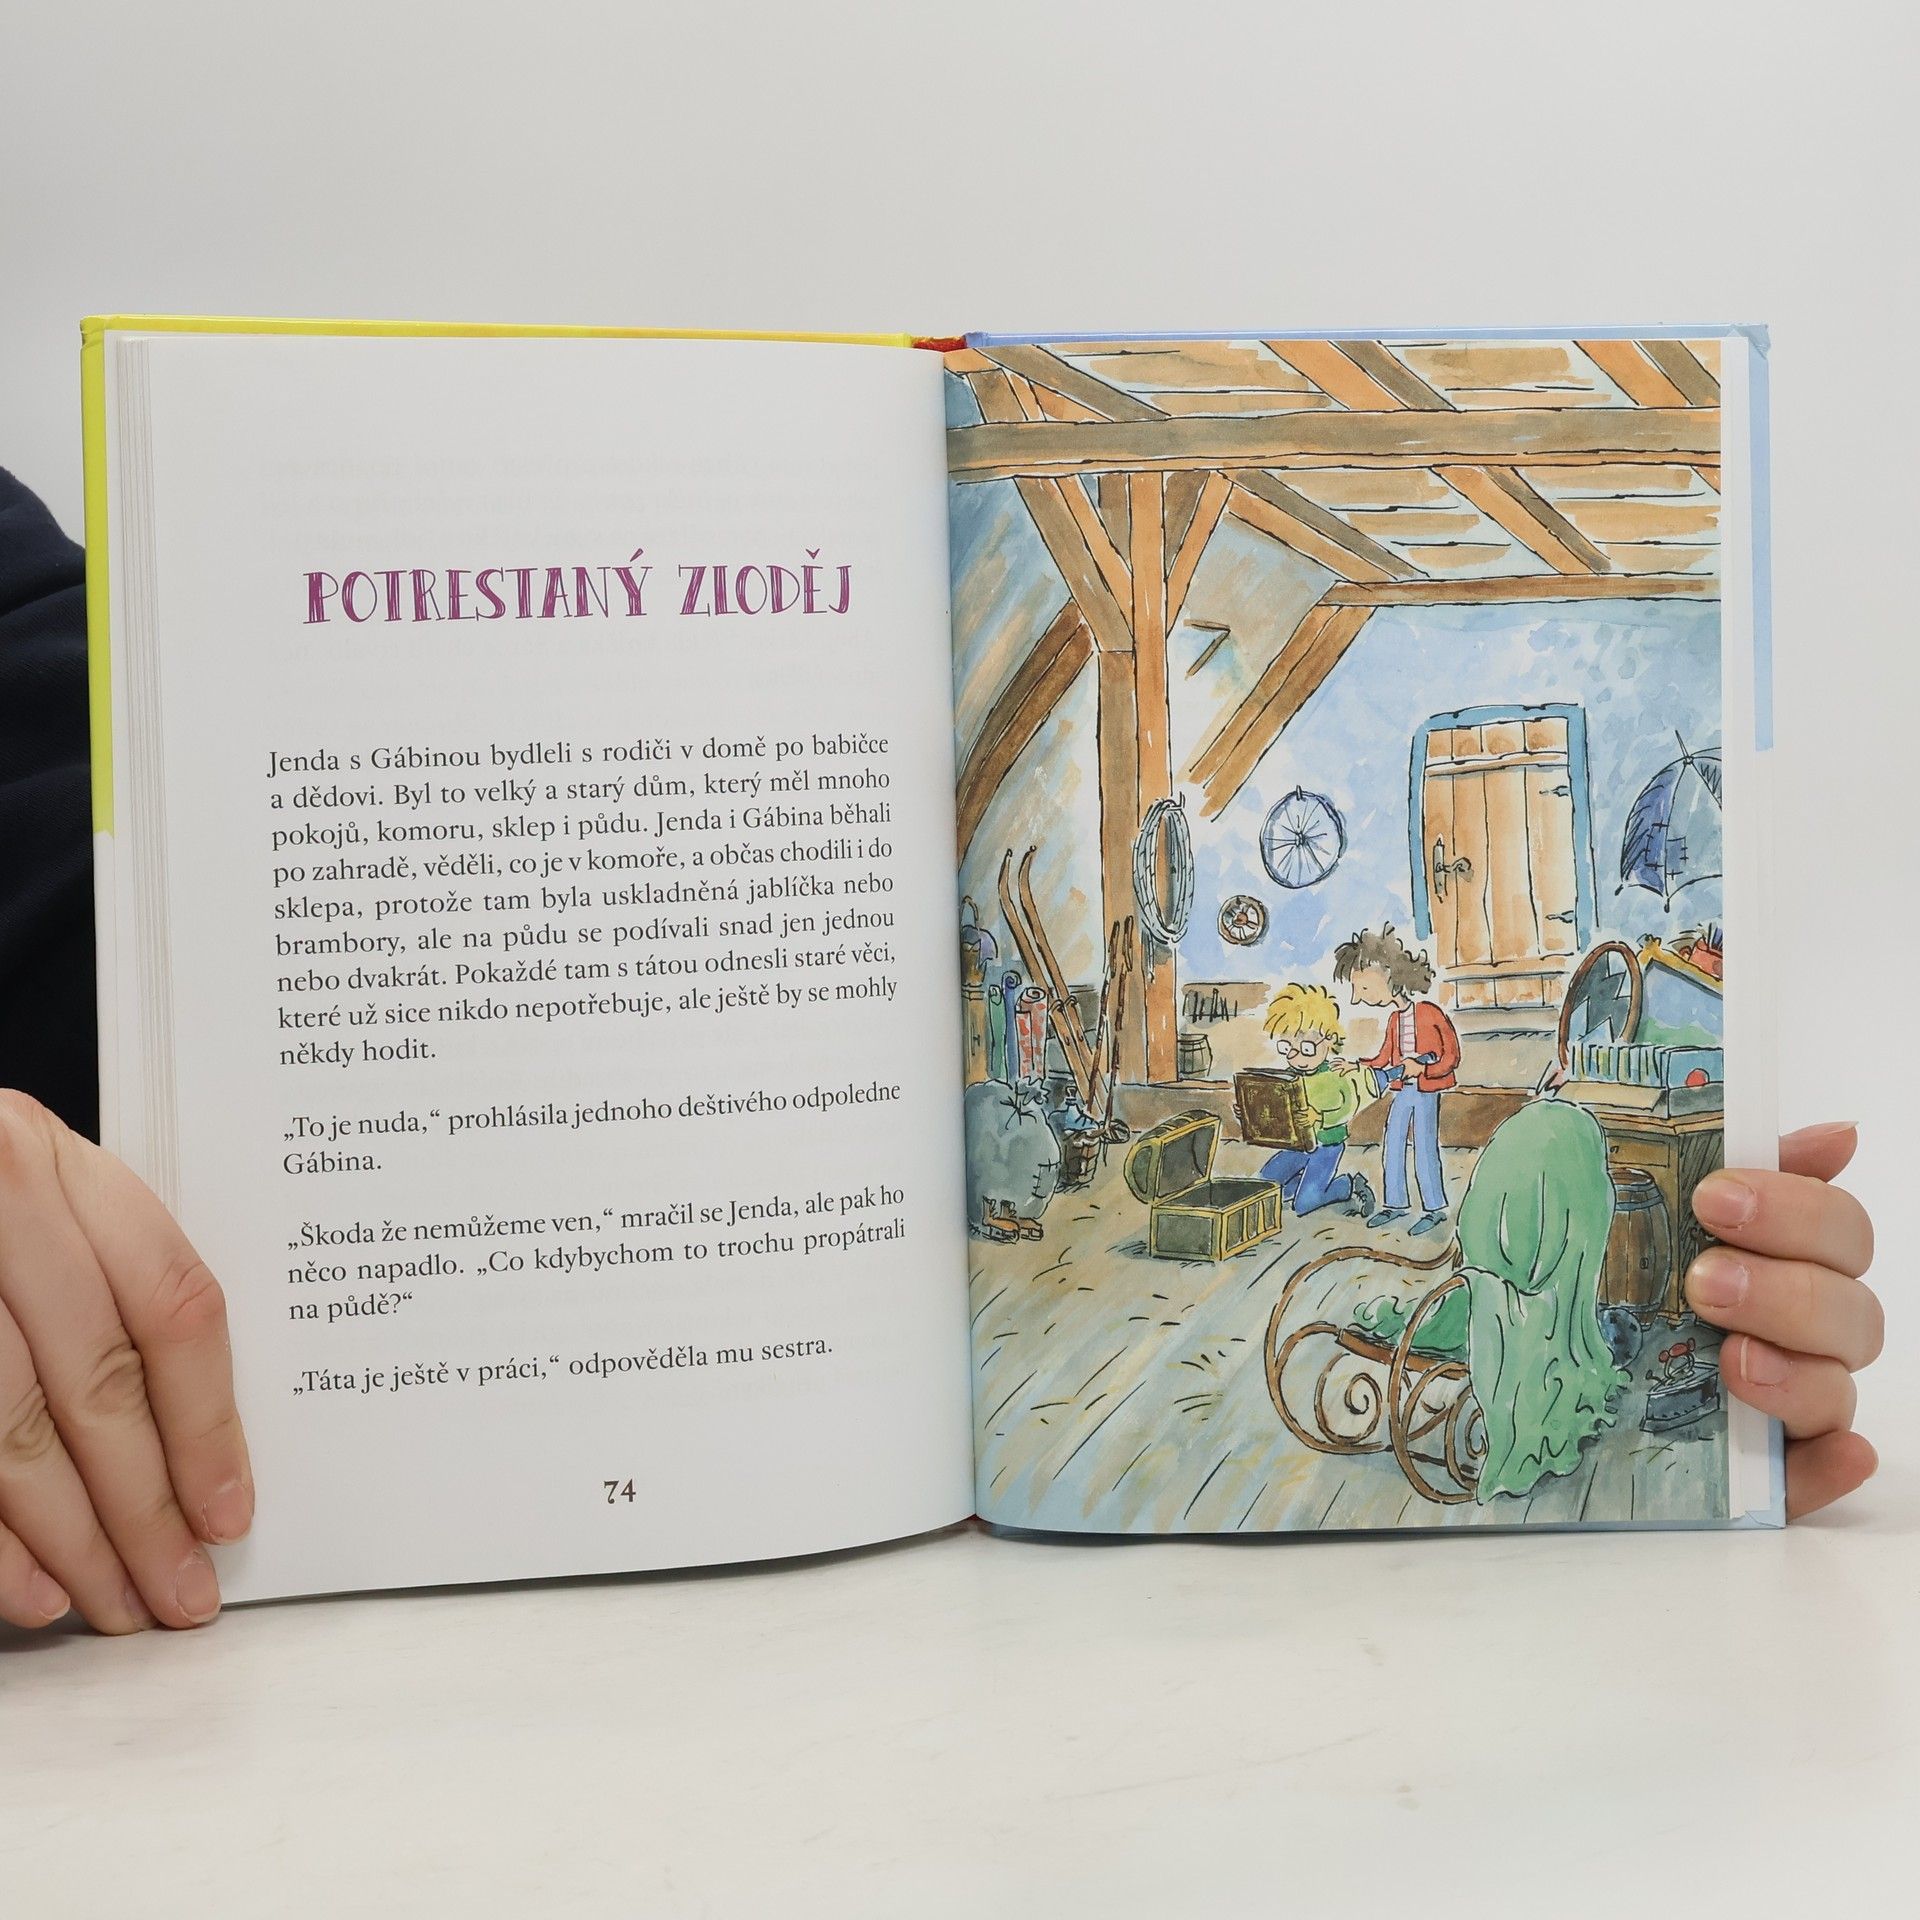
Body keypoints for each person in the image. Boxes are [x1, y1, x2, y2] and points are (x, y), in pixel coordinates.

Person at [0, 464, 1892, 1632]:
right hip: (296, 1505)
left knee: (1384, 1165)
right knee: (1345, 1153)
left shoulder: (60, 643)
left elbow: (128, 822)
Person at [1336, 924, 1461, 1236]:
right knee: (1392, 1144)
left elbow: (1451, 1056)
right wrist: (1356, 1065)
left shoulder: (1430, 1013)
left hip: (1426, 1091)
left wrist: (1424, 1069)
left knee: (1424, 1148)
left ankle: (1434, 1208)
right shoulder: (1394, 1020)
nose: (1360, 998)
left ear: (1390, 975)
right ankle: (1395, 1204)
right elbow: (1384, 1058)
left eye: (1365, 988)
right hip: (1401, 1090)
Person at [1256, 983, 1374, 1218]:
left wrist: (1318, 1117)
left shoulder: (1334, 1075)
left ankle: (1348, 1185)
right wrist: (1252, 1113)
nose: (1297, 1057)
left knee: (1305, 1204)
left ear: (1329, 1040)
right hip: (1298, 1147)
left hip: (1326, 1147)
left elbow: (1346, 1109)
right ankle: (1306, 1183)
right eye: (1287, 1047)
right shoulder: (1290, 1078)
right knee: (1264, 1185)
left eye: (1307, 1048)